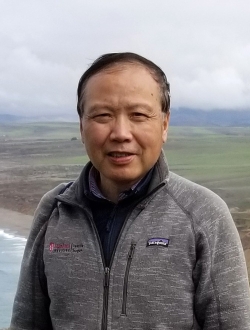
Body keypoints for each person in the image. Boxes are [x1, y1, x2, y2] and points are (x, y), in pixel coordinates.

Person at [10, 52, 250, 330]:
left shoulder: (204, 214)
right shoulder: (54, 209)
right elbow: (26, 322)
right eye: (102, 115)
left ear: (164, 124)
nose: (121, 133)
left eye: (138, 115)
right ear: (81, 124)